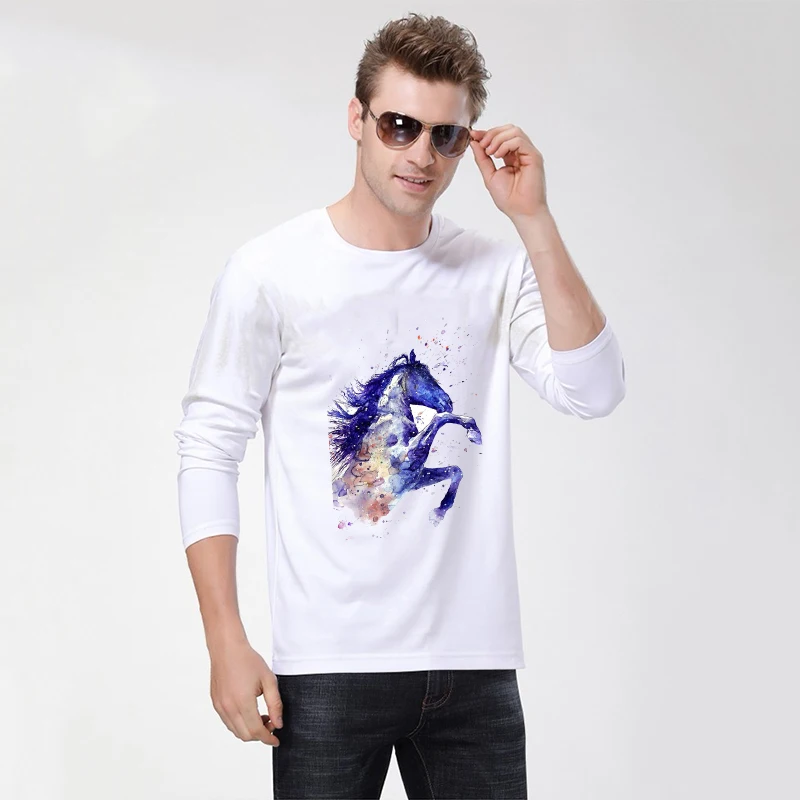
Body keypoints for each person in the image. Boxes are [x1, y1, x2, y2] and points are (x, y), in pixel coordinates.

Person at [173, 12, 626, 800]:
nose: (421, 154)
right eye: (399, 126)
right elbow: (208, 448)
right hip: (328, 669)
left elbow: (596, 390)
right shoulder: (270, 272)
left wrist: (533, 219)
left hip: (474, 668)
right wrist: (225, 638)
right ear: (357, 119)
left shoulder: (494, 269)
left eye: (446, 136)